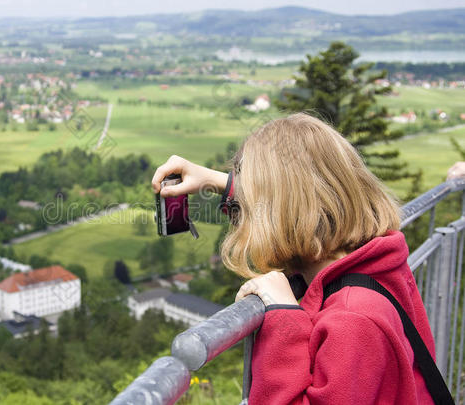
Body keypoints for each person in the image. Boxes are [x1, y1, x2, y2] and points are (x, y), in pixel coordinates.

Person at [152, 113, 436, 404]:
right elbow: (299, 199)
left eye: (245, 206)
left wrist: (282, 317)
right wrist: (216, 181)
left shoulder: (352, 321)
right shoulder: (376, 262)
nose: (243, 216)